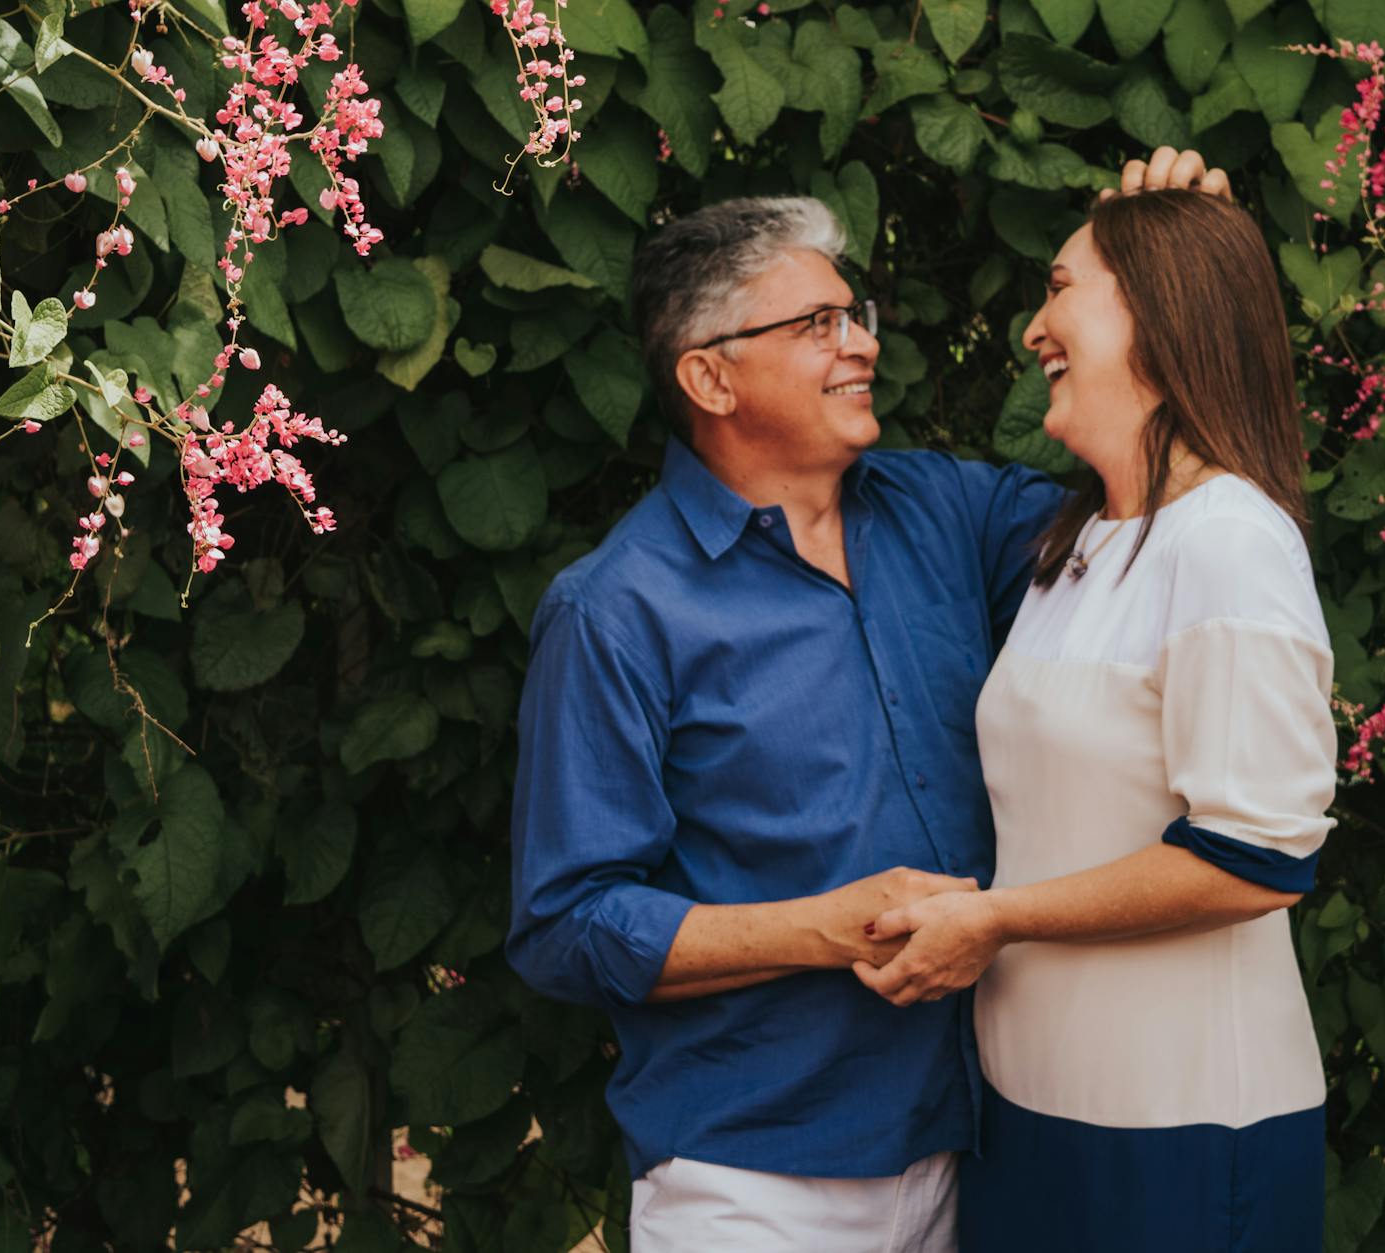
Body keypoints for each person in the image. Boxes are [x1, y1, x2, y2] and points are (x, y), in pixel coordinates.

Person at [506, 151, 1230, 1252]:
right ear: (710, 378)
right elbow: (565, 922)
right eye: (815, 324)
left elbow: (1145, 513)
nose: (861, 343)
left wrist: (1164, 270)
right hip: (747, 1177)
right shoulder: (615, 609)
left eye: (856, 314)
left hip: (963, 1149)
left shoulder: (943, 508)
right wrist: (820, 929)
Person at [852, 190, 1337, 1251]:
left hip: (1178, 1130)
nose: (1033, 327)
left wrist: (995, 918)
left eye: (1060, 287)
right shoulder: (1080, 543)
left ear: (1157, 315)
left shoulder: (1230, 542)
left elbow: (1254, 856)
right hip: (1027, 1117)